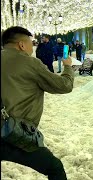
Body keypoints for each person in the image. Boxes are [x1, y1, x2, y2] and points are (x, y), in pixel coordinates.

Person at [1, 26, 74, 180]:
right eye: (30, 43)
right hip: (14, 134)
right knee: (55, 168)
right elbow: (64, 85)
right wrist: (68, 66)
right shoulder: (30, 63)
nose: (32, 47)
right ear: (21, 45)